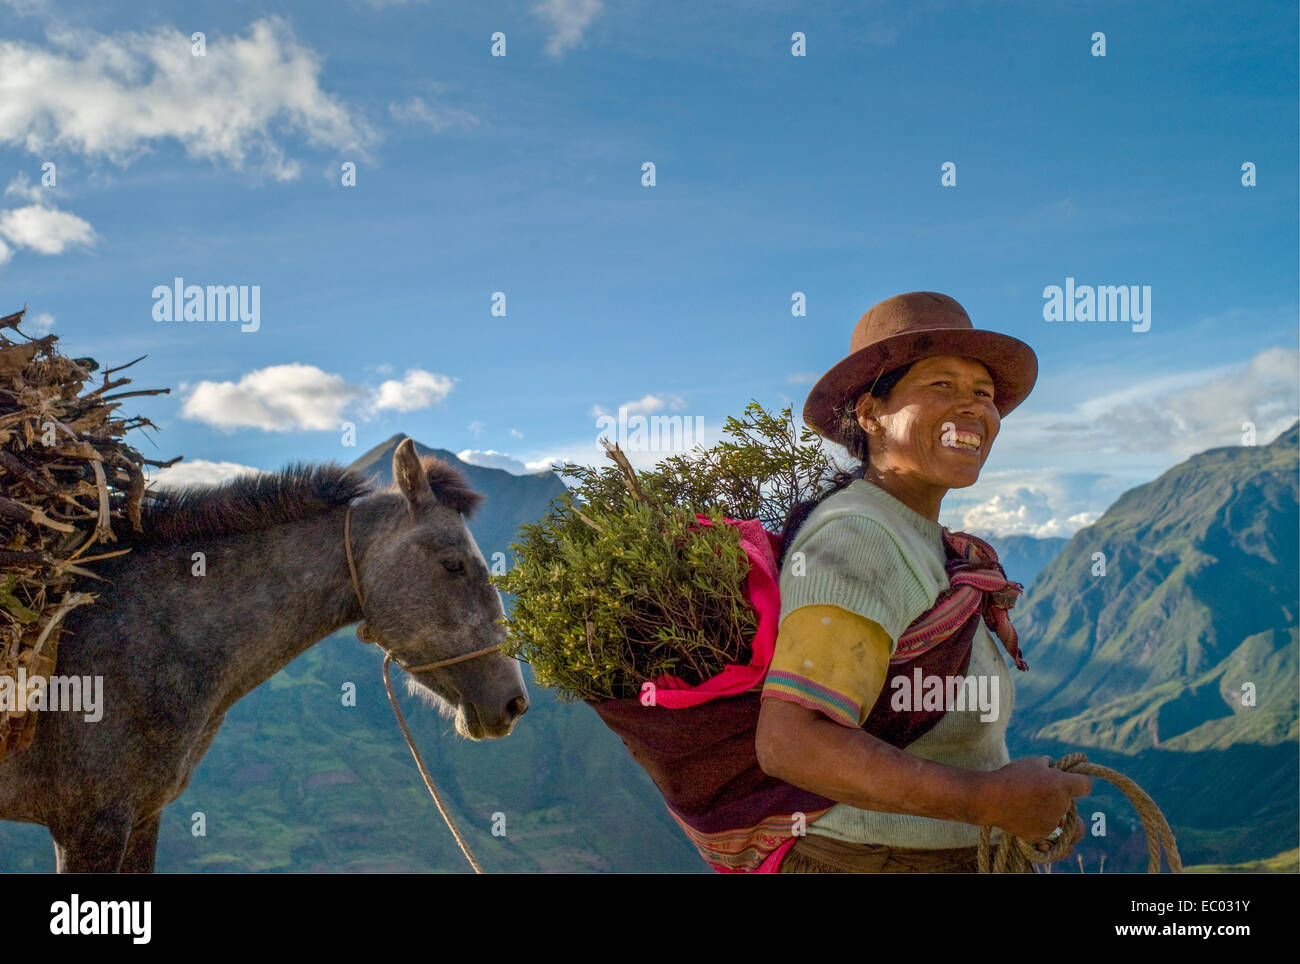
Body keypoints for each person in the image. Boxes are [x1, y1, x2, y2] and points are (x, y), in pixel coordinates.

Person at [755, 291, 1090, 873]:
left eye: (983, 395)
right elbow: (793, 741)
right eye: (940, 386)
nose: (972, 410)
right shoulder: (860, 534)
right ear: (869, 413)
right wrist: (991, 801)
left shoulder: (922, 539)